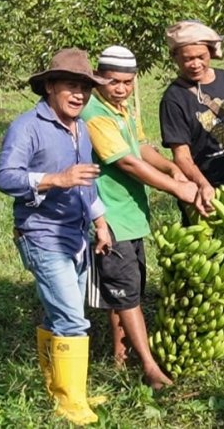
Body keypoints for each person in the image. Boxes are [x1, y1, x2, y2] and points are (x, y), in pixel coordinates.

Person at [0, 48, 112, 425]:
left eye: (85, 88)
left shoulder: (80, 128)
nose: (79, 94)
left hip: (75, 235)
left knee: (57, 315)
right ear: (49, 86)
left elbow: (86, 181)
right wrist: (54, 179)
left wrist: (99, 222)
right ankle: (69, 403)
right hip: (42, 234)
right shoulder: (27, 126)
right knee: (73, 319)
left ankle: (63, 387)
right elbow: (6, 177)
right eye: (70, 86)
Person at [82, 46, 198, 389]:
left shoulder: (122, 107)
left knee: (123, 294)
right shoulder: (94, 113)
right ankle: (149, 366)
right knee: (127, 295)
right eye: (113, 81)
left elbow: (140, 147)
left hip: (131, 215)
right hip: (111, 217)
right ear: (98, 78)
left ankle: (121, 361)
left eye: (128, 82)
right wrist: (177, 189)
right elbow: (127, 163)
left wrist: (172, 167)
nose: (121, 88)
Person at [159, 20, 224, 221]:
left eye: (201, 57)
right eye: (188, 59)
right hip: (199, 190)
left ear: (211, 53)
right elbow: (182, 156)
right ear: (175, 58)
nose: (196, 64)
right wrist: (203, 185)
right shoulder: (174, 99)